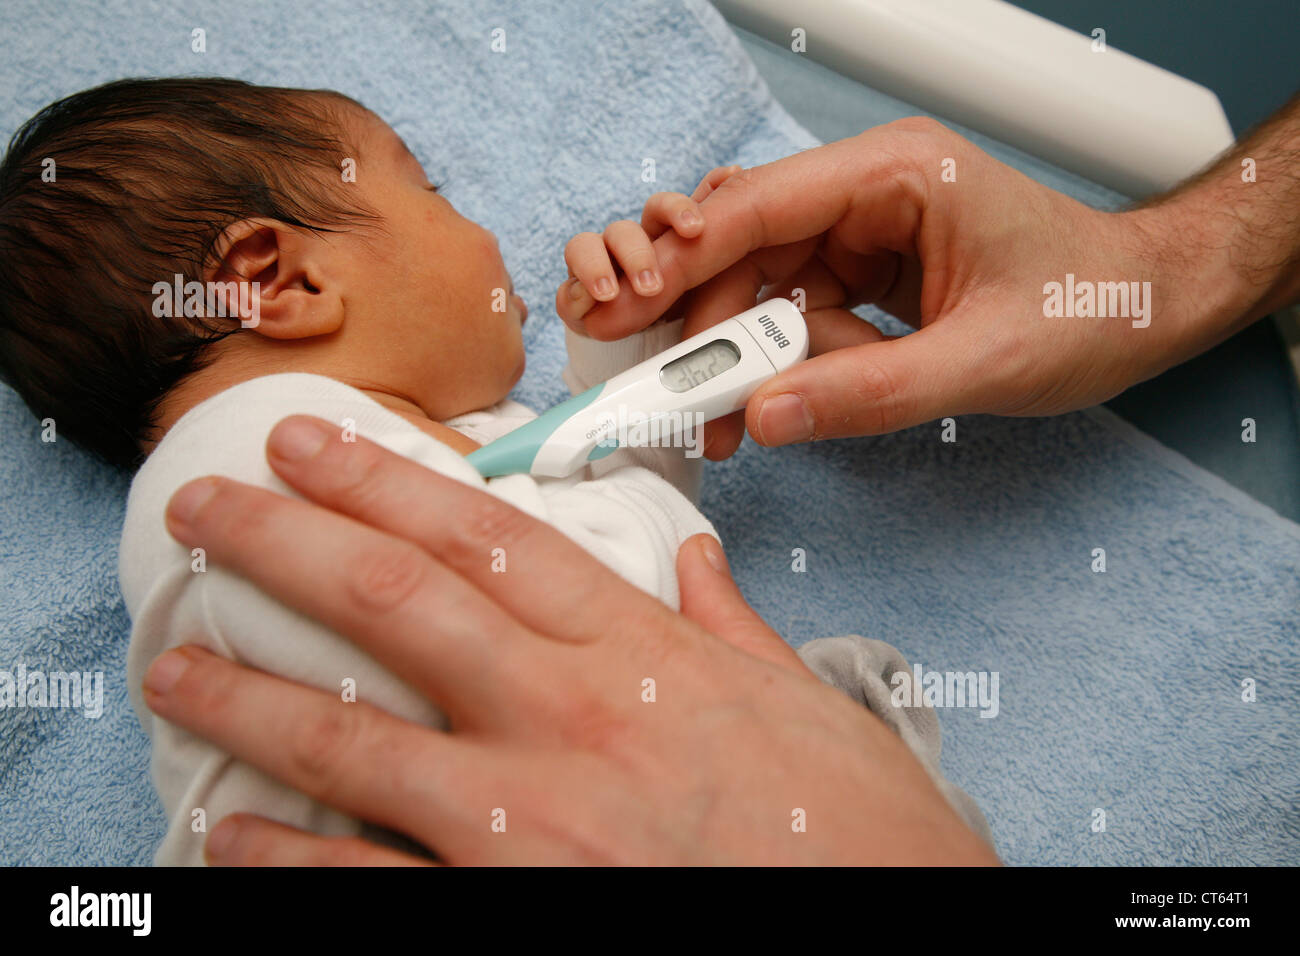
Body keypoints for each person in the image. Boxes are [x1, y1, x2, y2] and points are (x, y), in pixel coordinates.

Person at [143, 94, 1298, 865]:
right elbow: (519, 633)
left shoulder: (469, 434)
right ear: (275, 280)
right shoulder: (241, 452)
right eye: (432, 188)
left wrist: (630, 373)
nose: (478, 225)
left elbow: (616, 553)